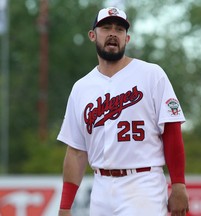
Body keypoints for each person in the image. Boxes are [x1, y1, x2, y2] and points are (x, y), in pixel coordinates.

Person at [57, 6, 189, 216]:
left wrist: (179, 184)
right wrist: (65, 206)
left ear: (127, 39)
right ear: (92, 35)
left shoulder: (151, 74)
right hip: (100, 187)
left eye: (119, 29)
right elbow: (76, 151)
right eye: (106, 27)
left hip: (142, 183)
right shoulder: (81, 88)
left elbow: (172, 130)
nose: (113, 33)